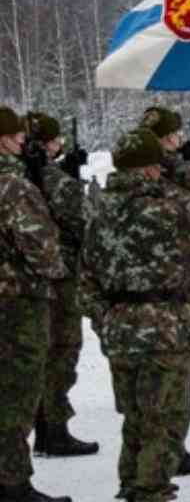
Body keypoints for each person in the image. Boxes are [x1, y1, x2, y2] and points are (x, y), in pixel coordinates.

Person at [79, 128, 190, 502]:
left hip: (121, 330)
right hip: (166, 329)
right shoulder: (173, 207)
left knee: (135, 418)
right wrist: (185, 167)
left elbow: (85, 282)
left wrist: (108, 319)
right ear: (154, 167)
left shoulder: (100, 210)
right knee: (161, 422)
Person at [0, 107, 73, 502]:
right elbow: (43, 250)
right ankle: (13, 484)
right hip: (16, 303)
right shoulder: (13, 186)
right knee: (16, 393)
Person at [139, 107, 190, 476]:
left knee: (162, 386)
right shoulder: (162, 179)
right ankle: (162, 458)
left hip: (148, 295)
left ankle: (171, 448)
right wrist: (189, 169)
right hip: (168, 296)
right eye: (174, 137)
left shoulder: (138, 173)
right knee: (169, 383)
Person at [24, 112, 99, 457]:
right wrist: (67, 178)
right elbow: (83, 216)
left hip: (29, 279)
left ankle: (43, 423)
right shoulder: (48, 176)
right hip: (61, 274)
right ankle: (53, 427)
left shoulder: (22, 174)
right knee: (62, 349)